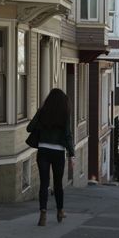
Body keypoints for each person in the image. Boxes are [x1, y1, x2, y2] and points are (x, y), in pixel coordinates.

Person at [27, 88, 75, 226]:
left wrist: (39, 111)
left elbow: (29, 128)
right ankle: (60, 211)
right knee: (58, 184)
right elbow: (67, 135)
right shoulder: (65, 114)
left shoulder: (43, 112)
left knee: (44, 183)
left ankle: (43, 213)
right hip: (58, 152)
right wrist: (72, 154)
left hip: (43, 150)